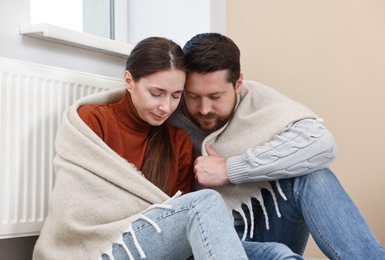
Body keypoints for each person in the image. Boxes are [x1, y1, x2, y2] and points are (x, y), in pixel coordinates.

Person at [169, 32, 385, 260]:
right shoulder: (168, 109)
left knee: (313, 175)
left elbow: (321, 143)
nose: (204, 109)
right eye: (193, 96)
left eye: (215, 96)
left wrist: (230, 170)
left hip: (266, 224)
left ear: (238, 83)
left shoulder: (257, 99)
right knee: (278, 255)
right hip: (209, 239)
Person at [32, 37, 249, 260]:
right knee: (205, 202)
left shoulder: (178, 142)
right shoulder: (93, 121)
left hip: (154, 247)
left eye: (176, 96)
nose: (166, 107)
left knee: (273, 252)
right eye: (156, 93)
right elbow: (76, 208)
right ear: (129, 81)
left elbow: (173, 224)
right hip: (98, 248)